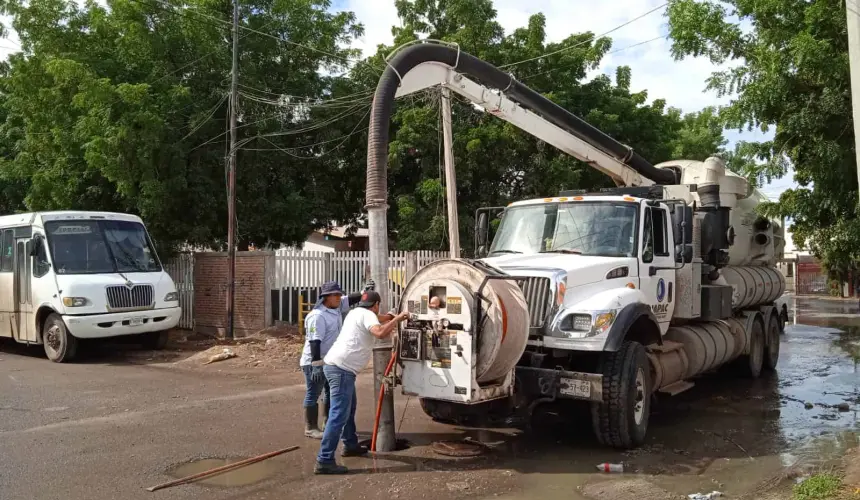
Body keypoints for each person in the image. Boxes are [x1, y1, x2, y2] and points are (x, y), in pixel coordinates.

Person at [314, 290, 409, 474]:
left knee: (349, 409)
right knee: (338, 415)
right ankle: (324, 460)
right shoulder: (367, 315)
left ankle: (350, 445)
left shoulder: (356, 312)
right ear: (376, 305)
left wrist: (392, 316)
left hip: (336, 366)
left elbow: (380, 318)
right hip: (342, 370)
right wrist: (398, 319)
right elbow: (380, 332)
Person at [299, 280, 374, 439]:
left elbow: (350, 299)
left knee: (329, 393)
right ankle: (310, 427)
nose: (340, 297)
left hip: (330, 360)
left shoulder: (336, 307)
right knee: (314, 392)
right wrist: (316, 364)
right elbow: (314, 341)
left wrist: (363, 292)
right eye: (336, 295)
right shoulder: (317, 316)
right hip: (313, 361)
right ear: (326, 297)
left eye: (340, 294)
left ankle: (328, 424)